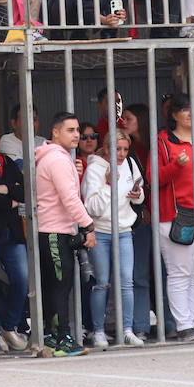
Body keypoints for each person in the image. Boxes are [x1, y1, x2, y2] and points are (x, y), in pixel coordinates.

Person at [154, 95, 194, 340]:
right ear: (174, 115)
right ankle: (184, 326)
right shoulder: (162, 142)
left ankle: (192, 322)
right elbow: (154, 179)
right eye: (184, 109)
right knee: (180, 272)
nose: (191, 113)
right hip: (176, 216)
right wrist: (175, 166)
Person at [29, 112, 92, 355]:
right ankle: (61, 338)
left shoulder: (57, 158)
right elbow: (70, 199)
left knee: (57, 286)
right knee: (59, 286)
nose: (77, 135)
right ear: (55, 132)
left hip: (54, 231)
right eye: (71, 130)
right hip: (54, 231)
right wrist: (89, 226)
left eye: (78, 130)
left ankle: (54, 338)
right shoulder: (56, 160)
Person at [81, 129, 144, 349]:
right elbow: (92, 207)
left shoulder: (130, 164)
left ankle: (127, 330)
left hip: (124, 229)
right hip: (100, 231)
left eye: (125, 149)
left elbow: (139, 191)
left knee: (127, 282)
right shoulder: (95, 169)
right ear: (106, 148)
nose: (122, 154)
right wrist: (108, 185)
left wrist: (138, 196)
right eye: (117, 149)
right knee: (101, 283)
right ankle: (98, 331)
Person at [0, 121, 30, 351]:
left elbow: (24, 191)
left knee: (22, 279)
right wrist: (8, 194)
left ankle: (9, 327)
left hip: (11, 233)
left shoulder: (7, 162)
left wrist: (1, 190)